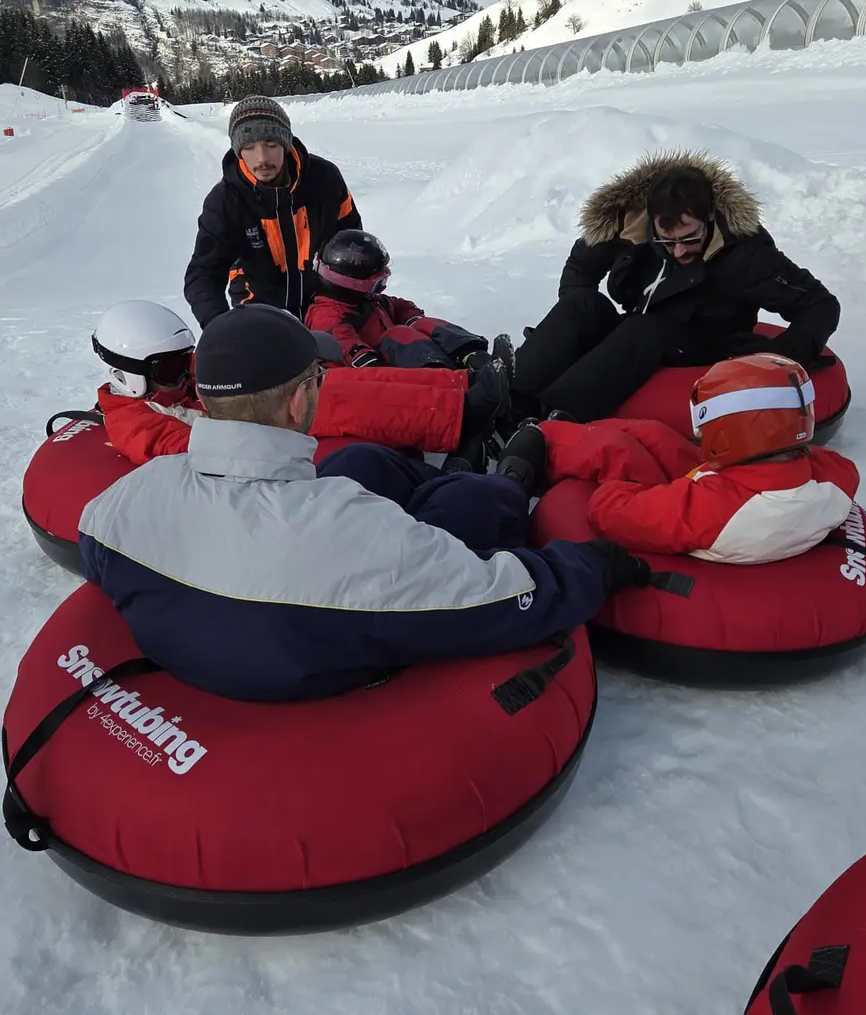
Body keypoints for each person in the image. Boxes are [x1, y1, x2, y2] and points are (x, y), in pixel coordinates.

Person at [79, 305, 644, 703]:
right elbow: (499, 597)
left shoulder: (130, 496)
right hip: (340, 627)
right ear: (299, 400)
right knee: (479, 498)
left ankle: (452, 477)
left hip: (288, 544)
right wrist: (598, 563)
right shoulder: (355, 539)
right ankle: (503, 479)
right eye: (316, 380)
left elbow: (100, 550)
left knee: (362, 462)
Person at [509, 149, 841, 425]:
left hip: (704, 346)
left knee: (645, 329)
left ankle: (548, 420)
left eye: (690, 238)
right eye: (667, 241)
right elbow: (581, 268)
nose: (679, 251)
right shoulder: (631, 227)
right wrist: (576, 342)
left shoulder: (743, 254)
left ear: (709, 219)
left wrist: (784, 356)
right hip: (636, 332)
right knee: (583, 305)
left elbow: (820, 304)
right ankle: (510, 400)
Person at [89, 299, 509, 472]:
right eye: (170, 369)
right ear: (127, 375)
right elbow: (192, 449)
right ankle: (461, 415)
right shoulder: (132, 422)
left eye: (187, 360)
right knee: (333, 403)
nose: (185, 374)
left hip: (255, 415)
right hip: (253, 445)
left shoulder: (175, 384)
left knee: (334, 381)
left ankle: (459, 387)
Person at [537, 354, 860, 565]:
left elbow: (609, 514)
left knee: (618, 453)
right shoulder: (835, 475)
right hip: (747, 483)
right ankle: (572, 431)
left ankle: (541, 440)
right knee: (656, 435)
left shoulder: (711, 510)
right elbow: (827, 463)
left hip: (703, 507)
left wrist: (618, 485)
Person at [183, 95, 362, 328]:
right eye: (249, 147)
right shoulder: (225, 200)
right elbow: (203, 274)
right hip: (260, 316)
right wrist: (220, 327)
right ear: (238, 151)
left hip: (326, 308)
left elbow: (353, 245)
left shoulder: (325, 179)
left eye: (271, 144)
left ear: (285, 144)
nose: (262, 159)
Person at [305, 229, 511, 374]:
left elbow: (401, 307)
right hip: (382, 382)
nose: (381, 290)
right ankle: (455, 380)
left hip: (409, 369)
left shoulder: (367, 301)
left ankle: (476, 358)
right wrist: (374, 362)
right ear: (351, 284)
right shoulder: (327, 316)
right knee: (399, 334)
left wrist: (417, 323)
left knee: (421, 324)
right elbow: (349, 353)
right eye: (378, 284)